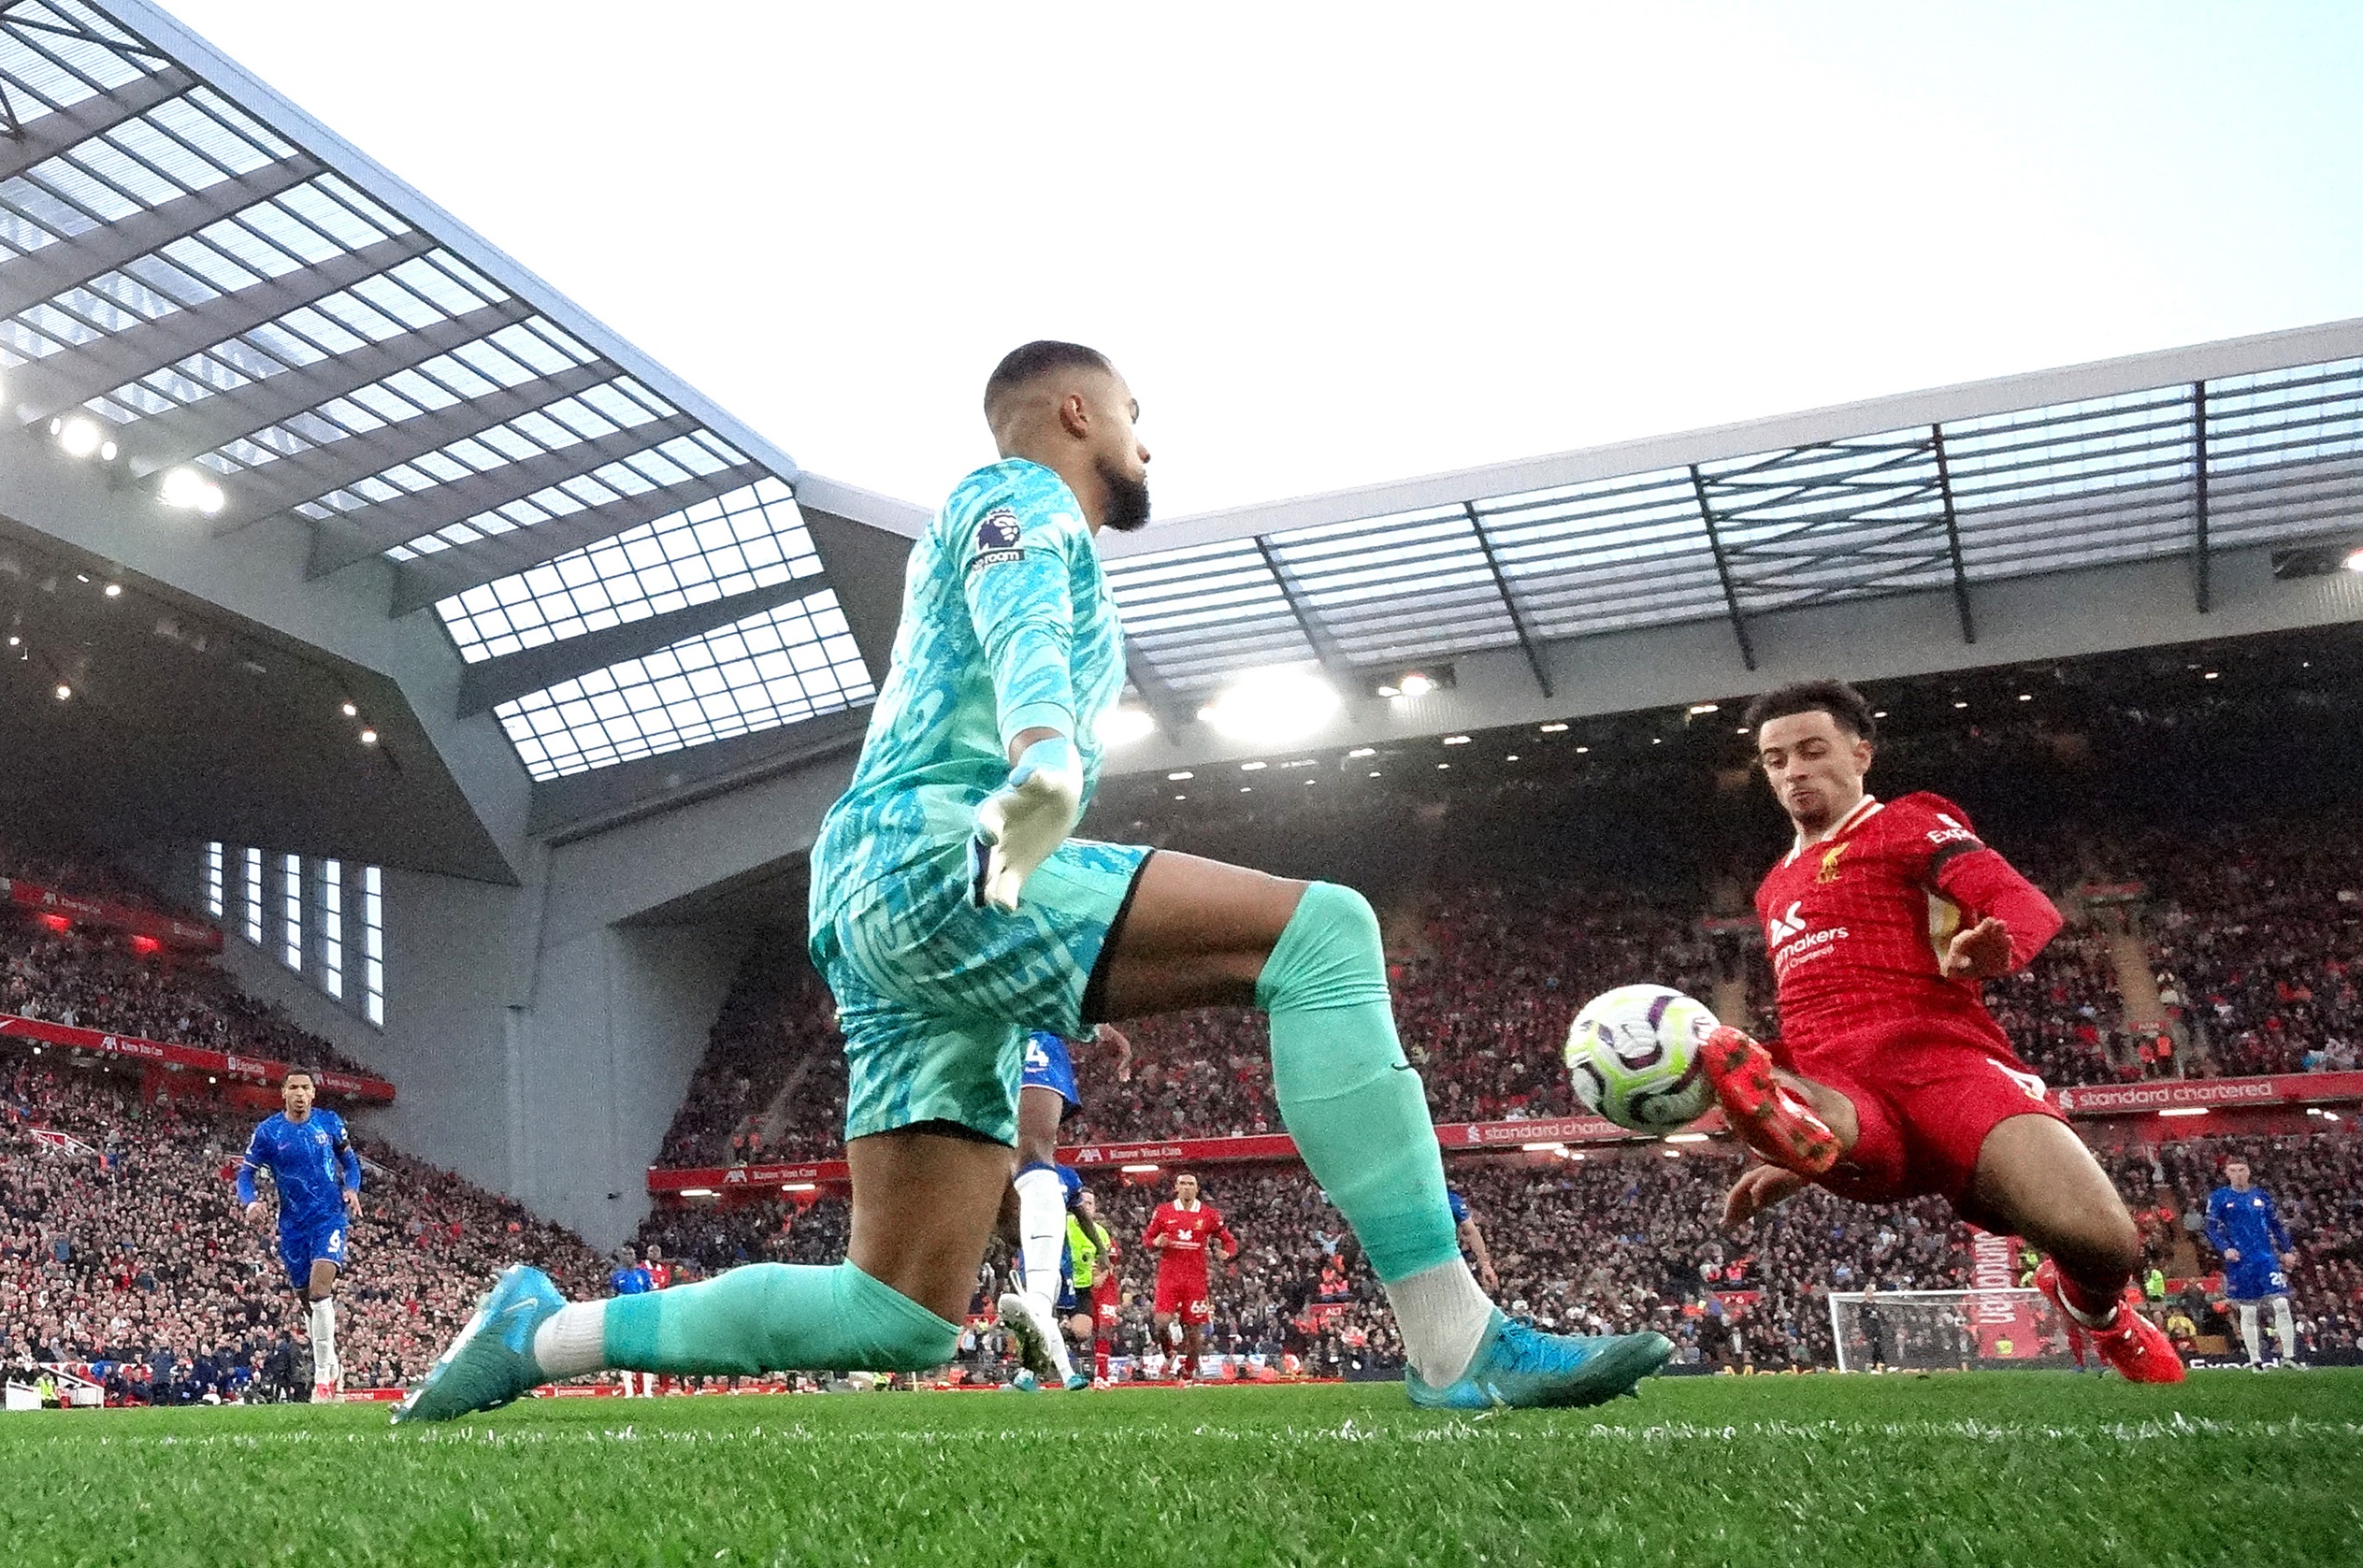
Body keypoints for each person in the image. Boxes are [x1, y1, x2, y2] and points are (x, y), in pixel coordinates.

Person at [398, 340, 1669, 1421]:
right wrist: (1045, 756)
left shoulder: (996, 519)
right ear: (1077, 412)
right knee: (1325, 934)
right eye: (1131, 418)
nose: (1143, 448)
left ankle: (541, 1334)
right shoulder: (1019, 494)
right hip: (941, 849)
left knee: (893, 1312)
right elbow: (1021, 617)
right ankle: (1456, 1340)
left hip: (875, 895)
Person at [1708, 680, 2182, 1384]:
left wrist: (1995, 948)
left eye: (1812, 751)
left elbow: (2021, 903)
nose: (1793, 771)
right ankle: (1791, 1125)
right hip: (1840, 1085)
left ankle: (2099, 1313)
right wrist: (1793, 1146)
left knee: (2106, 1242)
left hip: (1943, 1060)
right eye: (1775, 760)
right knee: (1742, 1062)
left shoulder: (1907, 822)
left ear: (1861, 751)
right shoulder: (1772, 885)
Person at [999, 1024, 1122, 1385]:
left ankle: (1048, 1369)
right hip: (1029, 1038)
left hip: (1007, 1034)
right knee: (1027, 1157)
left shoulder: (1067, 1178)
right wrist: (1101, 1029)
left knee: (1025, 1154)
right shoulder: (1059, 1176)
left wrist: (1100, 1249)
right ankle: (1046, 1371)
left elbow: (1083, 1217)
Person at [237, 1068, 362, 1403]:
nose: (299, 1093)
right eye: (293, 1087)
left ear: (313, 1094)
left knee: (321, 1291)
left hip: (329, 1218)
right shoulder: (268, 1132)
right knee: (306, 1300)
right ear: (283, 1093)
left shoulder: (329, 1123)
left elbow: (351, 1165)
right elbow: (245, 1177)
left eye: (305, 1087)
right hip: (292, 1225)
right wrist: (250, 1203)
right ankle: (331, 1362)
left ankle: (322, 1378)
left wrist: (351, 1190)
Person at [2205, 1157, 2299, 1368]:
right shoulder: (2219, 1198)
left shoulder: (2261, 1196)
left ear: (2248, 1171)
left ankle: (2289, 1358)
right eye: (2233, 1170)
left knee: (2282, 1304)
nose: (2238, 1174)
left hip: (2266, 1259)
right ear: (2227, 1173)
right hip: (2240, 1261)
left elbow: (2276, 1224)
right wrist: (2225, 1248)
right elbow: (2210, 1227)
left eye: (2241, 1169)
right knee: (2248, 1311)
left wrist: (2286, 1250)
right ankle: (2255, 1360)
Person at [1144, 1172, 1238, 1381]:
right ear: (1175, 1187)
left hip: (1195, 1279)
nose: (1186, 1187)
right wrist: (1156, 1242)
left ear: (1197, 1188)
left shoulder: (1209, 1215)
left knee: (1194, 1331)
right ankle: (1169, 1352)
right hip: (1169, 1277)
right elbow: (1148, 1240)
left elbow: (1230, 1242)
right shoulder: (1163, 1212)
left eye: (1191, 1184)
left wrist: (1226, 1253)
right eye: (1182, 1183)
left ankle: (1187, 1371)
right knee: (1161, 1322)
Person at [1065, 1187, 1122, 1386]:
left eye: (1090, 1203)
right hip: (1073, 1287)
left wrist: (1103, 1275)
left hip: (1103, 1288)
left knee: (1105, 1327)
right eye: (1083, 1202)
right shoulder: (1064, 1226)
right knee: (1083, 1332)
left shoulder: (1101, 1233)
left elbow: (1112, 1260)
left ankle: (1101, 1376)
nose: (1087, 1207)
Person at [609, 1248, 655, 1396]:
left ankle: (647, 1391)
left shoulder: (643, 1274)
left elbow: (651, 1294)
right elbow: (613, 1296)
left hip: (641, 1316)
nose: (628, 1257)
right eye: (625, 1255)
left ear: (635, 1256)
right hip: (625, 1317)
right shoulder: (618, 1276)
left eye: (630, 1254)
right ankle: (629, 1391)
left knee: (645, 1352)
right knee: (626, 1353)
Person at [1448, 1187, 1501, 1295]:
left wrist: (1485, 1264)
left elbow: (1471, 1231)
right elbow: (1470, 1231)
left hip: (1447, 1256)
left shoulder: (1449, 1199)